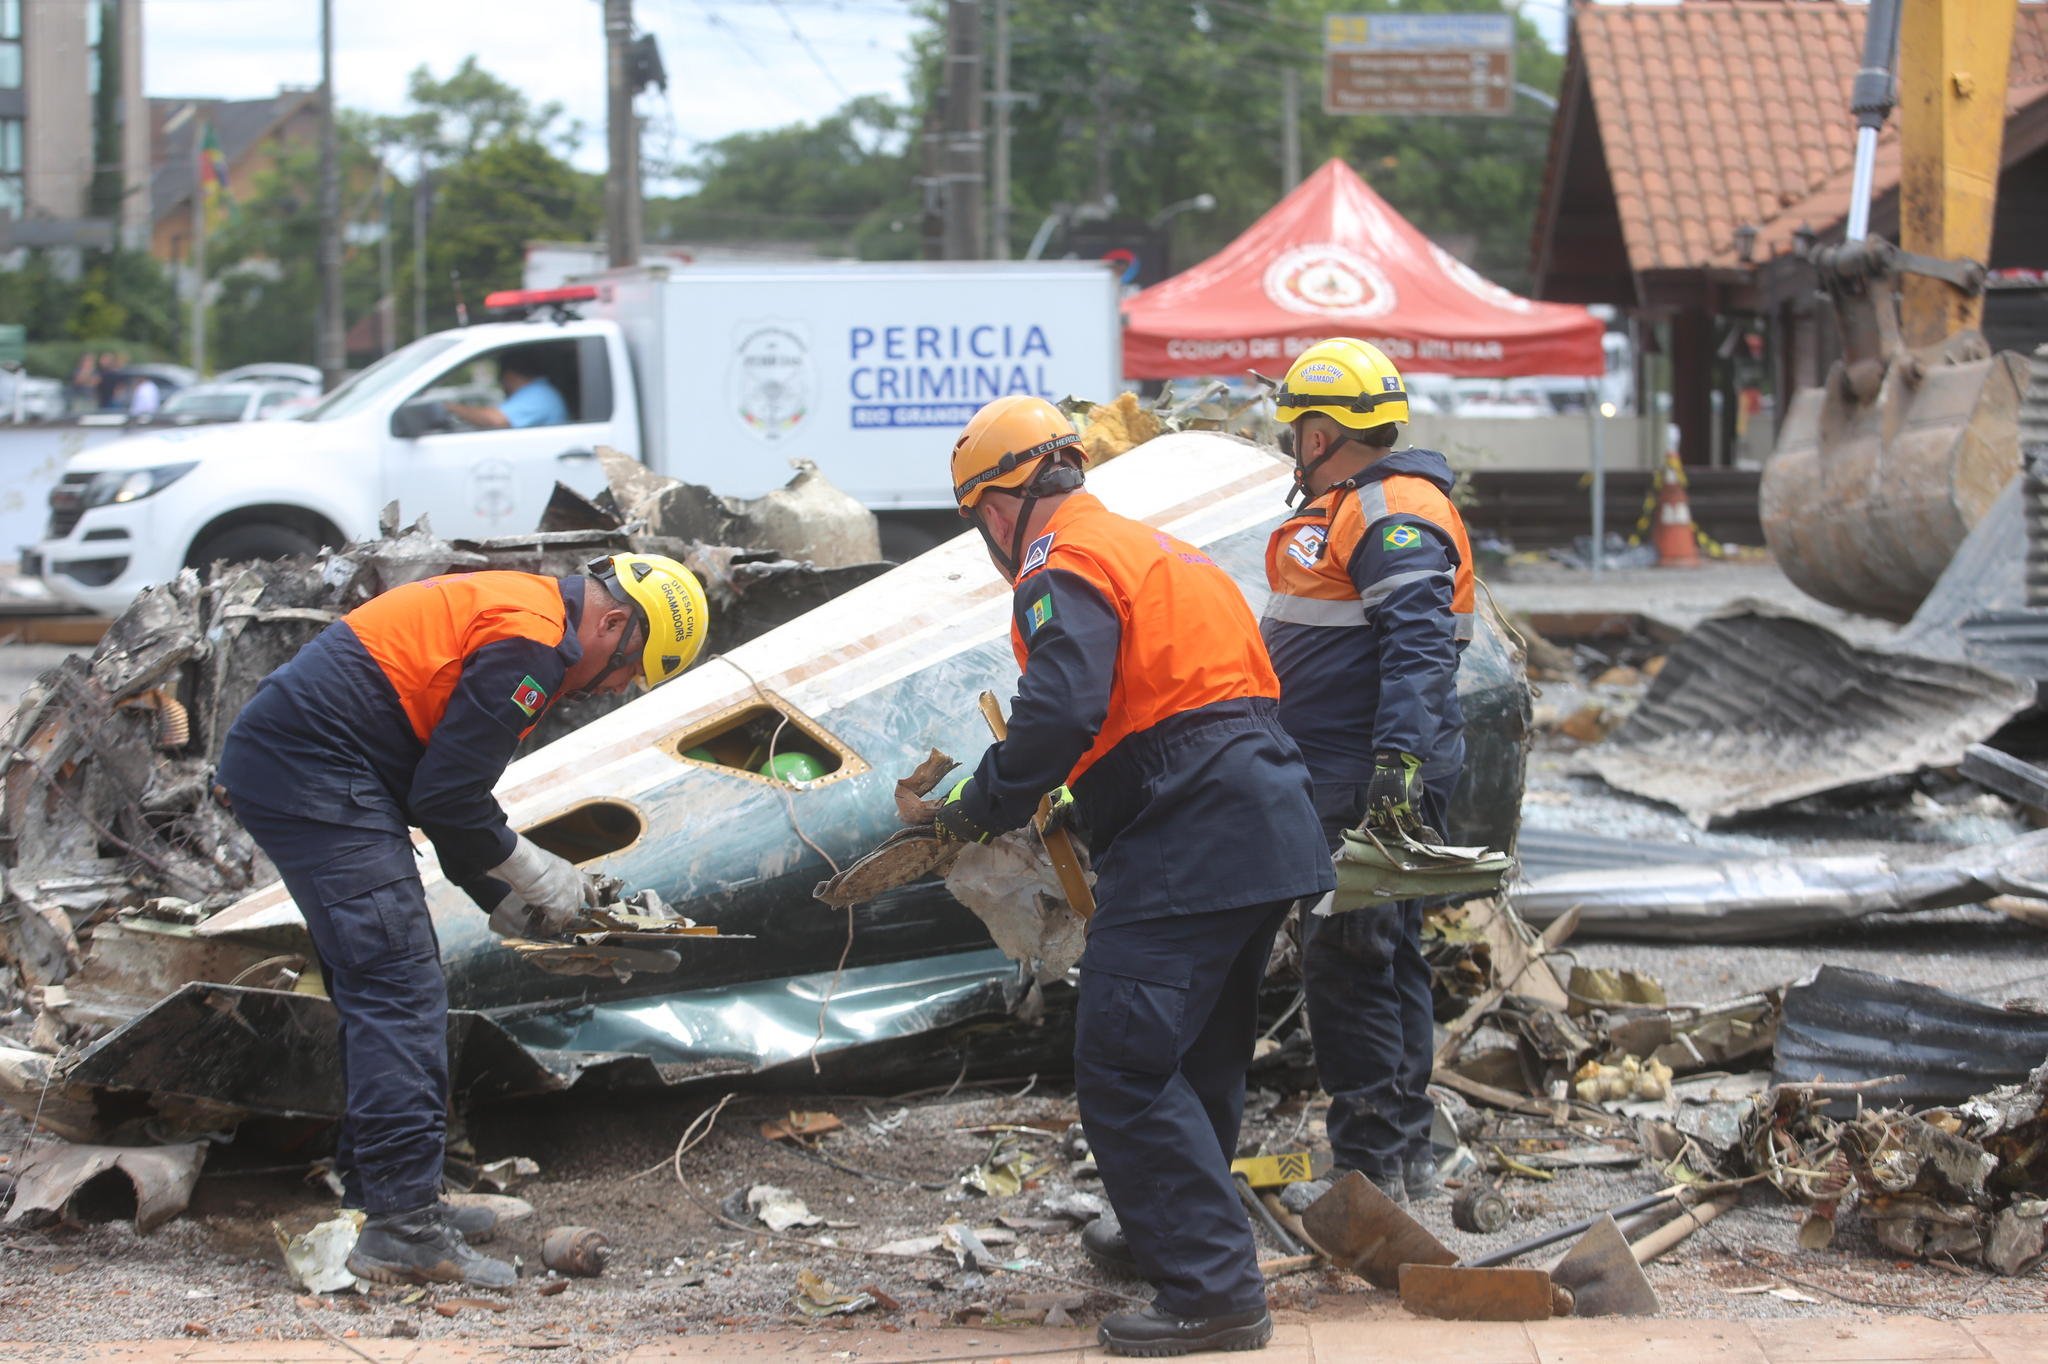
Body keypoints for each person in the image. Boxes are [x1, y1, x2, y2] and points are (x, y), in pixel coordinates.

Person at [921, 395, 1332, 1357]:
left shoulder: (1059, 561)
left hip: (1192, 828)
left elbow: (1061, 711)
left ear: (996, 507)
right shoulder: (1163, 550)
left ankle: (1214, 1294)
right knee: (1195, 1056)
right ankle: (1172, 1238)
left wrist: (984, 801)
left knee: (1124, 1059)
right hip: (1265, 815)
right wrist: (1082, 796)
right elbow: (1175, 703)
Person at [215, 554, 708, 1287]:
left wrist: (515, 910)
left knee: (382, 986)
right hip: (314, 768)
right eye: (626, 669)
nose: (613, 688)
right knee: (398, 988)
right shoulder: (532, 644)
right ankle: (403, 1230)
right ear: (611, 620)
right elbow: (448, 801)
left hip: (322, 763)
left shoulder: (530, 615)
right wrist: (545, 880)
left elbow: (441, 796)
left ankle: (380, 1200)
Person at [1260, 338, 1474, 1205]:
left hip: (1367, 778)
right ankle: (1404, 1152)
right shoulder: (1366, 505)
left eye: (1294, 432)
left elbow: (1418, 647)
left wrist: (1397, 766)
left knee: (1350, 966)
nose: (1292, 448)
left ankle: (1370, 1169)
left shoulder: (1389, 512)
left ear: (1318, 436)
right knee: (1387, 956)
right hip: (1365, 769)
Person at [445, 348, 568, 430]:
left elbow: (495, 420)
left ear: (510, 375)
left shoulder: (539, 395)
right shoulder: (538, 391)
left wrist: (451, 408)